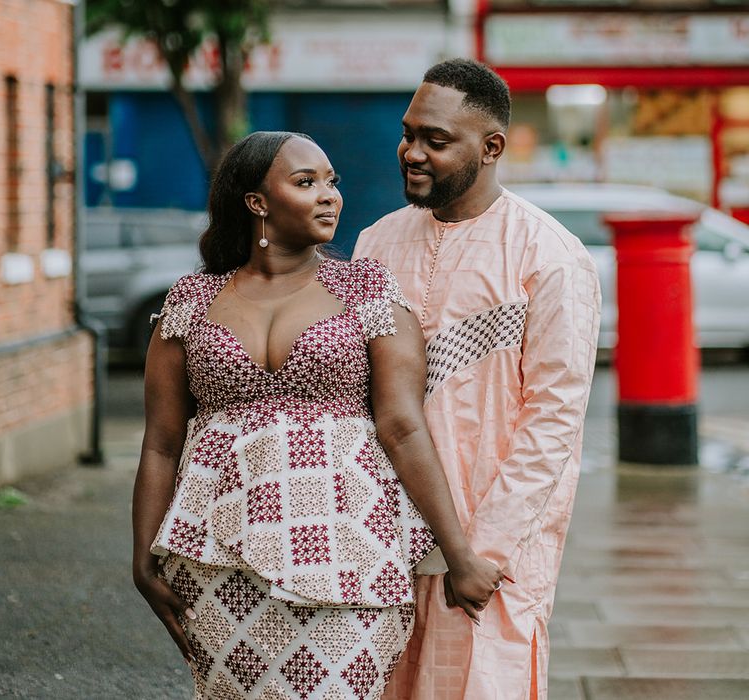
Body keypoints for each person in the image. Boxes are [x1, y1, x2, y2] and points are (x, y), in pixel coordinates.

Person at [132, 130, 503, 699]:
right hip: (217, 558)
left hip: (351, 549)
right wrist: (143, 558)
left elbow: (402, 426)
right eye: (307, 183)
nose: (330, 195)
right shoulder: (191, 300)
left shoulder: (367, 290)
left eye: (332, 182)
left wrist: (458, 555)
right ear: (257, 202)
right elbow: (161, 442)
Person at [354, 59, 602, 699]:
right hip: (383, 536)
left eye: (435, 141)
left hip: (494, 549)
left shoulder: (549, 256)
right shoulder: (376, 244)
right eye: (409, 134)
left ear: (492, 147)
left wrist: (480, 554)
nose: (412, 153)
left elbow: (553, 421)